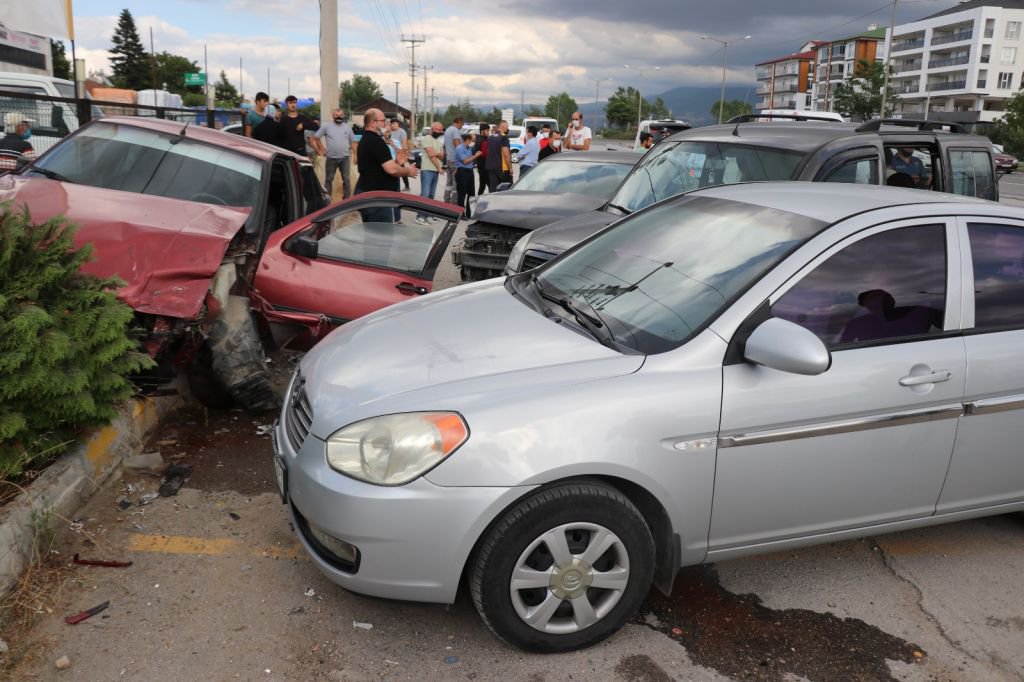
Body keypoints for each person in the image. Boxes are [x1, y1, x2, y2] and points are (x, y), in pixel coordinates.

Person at [355, 108, 418, 223]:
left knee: (372, 236)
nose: (386, 124)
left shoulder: (368, 139)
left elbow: (378, 168)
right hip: (376, 199)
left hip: (372, 196)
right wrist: (408, 171)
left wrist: (398, 162)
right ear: (373, 123)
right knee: (382, 238)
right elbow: (392, 170)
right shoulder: (375, 141)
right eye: (383, 120)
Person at [314, 108, 357, 199]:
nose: (338, 117)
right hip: (331, 158)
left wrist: (356, 155)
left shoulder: (347, 127)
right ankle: (327, 200)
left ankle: (347, 199)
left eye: (340, 115)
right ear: (333, 116)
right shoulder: (326, 126)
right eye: (336, 115)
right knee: (329, 179)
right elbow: (316, 137)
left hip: (345, 157)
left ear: (343, 116)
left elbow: (353, 142)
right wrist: (322, 149)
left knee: (346, 179)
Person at [417, 121, 446, 223]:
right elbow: (430, 154)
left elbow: (442, 156)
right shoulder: (427, 139)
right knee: (425, 194)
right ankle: (420, 216)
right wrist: (439, 167)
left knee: (431, 195)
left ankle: (428, 215)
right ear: (431, 129)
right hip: (427, 169)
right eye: (436, 129)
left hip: (435, 170)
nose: (438, 131)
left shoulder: (438, 141)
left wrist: (436, 153)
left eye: (440, 130)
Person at [455, 132, 481, 216]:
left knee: (471, 193)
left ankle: (469, 212)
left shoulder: (468, 148)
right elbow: (465, 161)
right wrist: (476, 156)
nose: (472, 141)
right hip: (462, 171)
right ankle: (460, 213)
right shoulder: (459, 148)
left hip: (470, 171)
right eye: (471, 139)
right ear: (467, 140)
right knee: (462, 193)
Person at [484, 120, 513, 192]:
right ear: (503, 127)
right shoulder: (504, 137)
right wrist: (510, 168)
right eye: (507, 126)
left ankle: (492, 202)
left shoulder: (490, 137)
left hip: (490, 167)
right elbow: (506, 155)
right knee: (506, 189)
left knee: (493, 189)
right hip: (502, 168)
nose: (507, 128)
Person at [443, 116, 464, 204]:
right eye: (462, 124)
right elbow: (457, 144)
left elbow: (444, 145)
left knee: (449, 182)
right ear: (458, 122)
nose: (462, 126)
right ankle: (454, 203)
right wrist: (462, 157)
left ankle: (446, 200)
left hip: (449, 159)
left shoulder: (448, 130)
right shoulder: (455, 130)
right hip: (455, 160)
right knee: (456, 183)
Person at [389, 119, 410, 190]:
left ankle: (407, 186)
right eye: (391, 124)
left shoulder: (401, 131)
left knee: (401, 170)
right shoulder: (390, 132)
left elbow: (404, 143)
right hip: (392, 154)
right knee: (394, 170)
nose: (393, 125)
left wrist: (404, 152)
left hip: (399, 153)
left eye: (394, 124)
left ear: (398, 124)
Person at [475, 123, 490, 195]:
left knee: (482, 186)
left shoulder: (484, 139)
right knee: (490, 185)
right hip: (483, 167)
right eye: (487, 131)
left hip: (483, 166)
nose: (488, 132)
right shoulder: (480, 140)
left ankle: (478, 200)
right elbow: (481, 154)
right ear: (482, 131)